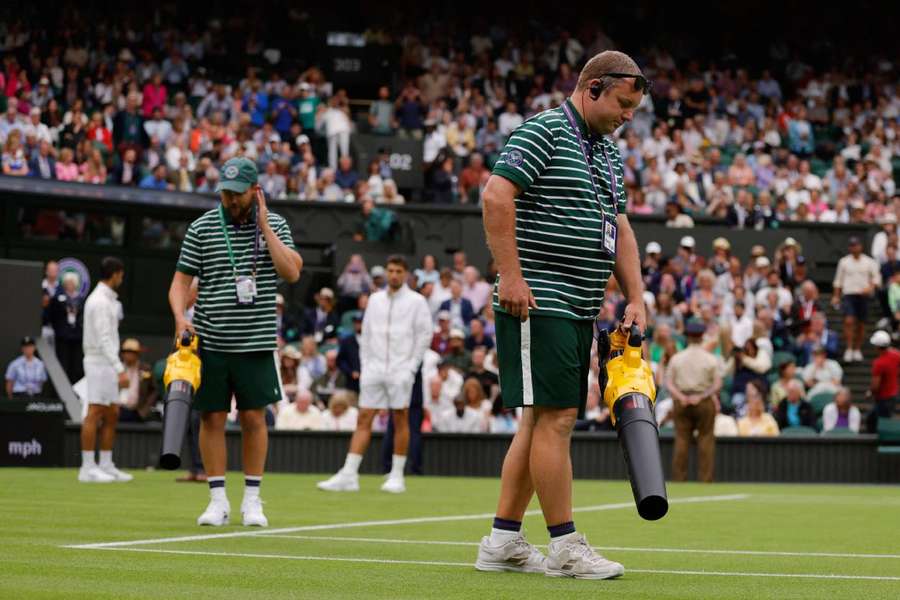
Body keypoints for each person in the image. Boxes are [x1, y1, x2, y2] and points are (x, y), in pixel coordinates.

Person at [477, 51, 648, 579]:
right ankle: (565, 546)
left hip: (578, 304)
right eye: (622, 104)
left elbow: (618, 227)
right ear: (592, 88)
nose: (627, 116)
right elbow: (495, 195)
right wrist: (510, 275)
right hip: (538, 298)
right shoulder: (545, 130)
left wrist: (636, 295)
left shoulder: (607, 153)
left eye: (635, 109)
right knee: (556, 418)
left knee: (537, 420)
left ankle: (502, 541)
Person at [168, 156, 303, 527]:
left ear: (255, 192)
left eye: (237, 194)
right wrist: (181, 317)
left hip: (255, 341)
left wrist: (265, 225)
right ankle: (217, 500)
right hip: (210, 339)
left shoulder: (274, 223)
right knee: (210, 417)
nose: (229, 200)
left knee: (253, 418)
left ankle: (253, 501)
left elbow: (291, 272)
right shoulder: (203, 227)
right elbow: (180, 283)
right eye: (225, 192)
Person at [318, 255, 432, 494]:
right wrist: (367, 365)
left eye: (399, 271)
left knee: (400, 418)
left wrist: (411, 368)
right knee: (364, 418)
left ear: (406, 274)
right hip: (374, 370)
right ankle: (349, 474)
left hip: (401, 370)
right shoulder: (375, 300)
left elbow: (424, 335)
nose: (393, 275)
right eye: (390, 270)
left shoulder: (417, 302)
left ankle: (397, 475)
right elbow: (367, 335)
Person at [79, 257, 132, 483]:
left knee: (112, 413)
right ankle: (87, 468)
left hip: (107, 362)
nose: (122, 278)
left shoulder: (110, 300)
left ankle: (106, 464)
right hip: (98, 362)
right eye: (121, 274)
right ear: (115, 274)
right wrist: (120, 368)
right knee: (95, 412)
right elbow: (103, 339)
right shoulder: (99, 301)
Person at [666, 321, 722, 482]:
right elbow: (717, 384)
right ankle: (705, 480)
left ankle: (679, 479)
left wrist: (681, 396)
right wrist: (702, 396)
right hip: (703, 402)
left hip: (682, 401)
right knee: (706, 439)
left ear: (688, 337)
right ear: (702, 336)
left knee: (681, 439)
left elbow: (669, 382)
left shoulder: (677, 358)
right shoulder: (710, 359)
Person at [832, 237, 881, 362]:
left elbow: (876, 279)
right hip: (848, 295)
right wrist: (836, 296)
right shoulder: (844, 262)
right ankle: (849, 348)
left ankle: (857, 349)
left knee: (861, 324)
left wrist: (869, 288)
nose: (854, 248)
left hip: (863, 296)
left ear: (861, 247)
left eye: (856, 245)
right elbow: (838, 281)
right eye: (852, 246)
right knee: (848, 321)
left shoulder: (869, 262)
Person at [49, 271, 84, 383]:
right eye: (68, 283)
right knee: (63, 362)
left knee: (76, 364)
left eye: (72, 283)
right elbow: (53, 315)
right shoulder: (58, 298)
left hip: (77, 336)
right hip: (63, 336)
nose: (70, 285)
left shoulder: (81, 299)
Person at [116, 338, 159, 423]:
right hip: (117, 410)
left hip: (136, 412)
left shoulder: (145, 369)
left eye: (131, 352)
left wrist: (144, 410)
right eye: (126, 352)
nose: (128, 355)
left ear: (137, 354)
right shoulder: (117, 369)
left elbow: (154, 390)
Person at [866, 330, 900, 432]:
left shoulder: (879, 363)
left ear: (877, 346)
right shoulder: (896, 355)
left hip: (884, 398)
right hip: (893, 394)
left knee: (875, 421)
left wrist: (870, 392)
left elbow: (875, 385)